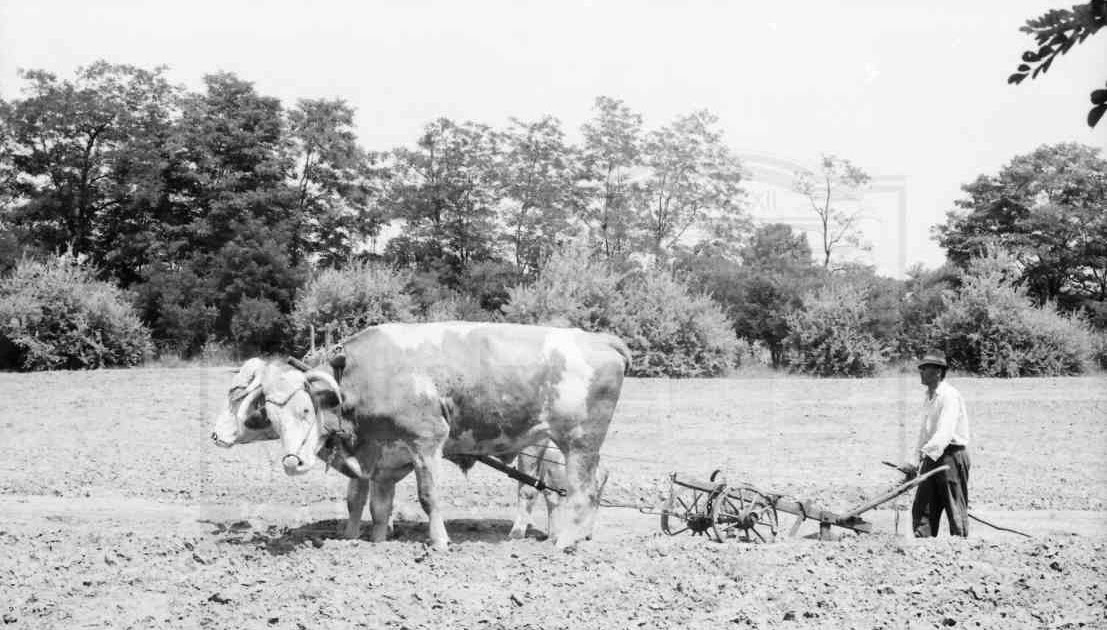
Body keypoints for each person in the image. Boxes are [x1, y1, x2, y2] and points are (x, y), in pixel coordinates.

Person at [909, 349, 971, 537]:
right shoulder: (929, 396)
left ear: (937, 372)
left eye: (924, 369)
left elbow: (945, 432)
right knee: (923, 505)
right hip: (932, 454)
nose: (920, 372)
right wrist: (914, 463)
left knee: (954, 506)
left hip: (951, 456)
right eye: (921, 369)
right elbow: (924, 433)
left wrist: (923, 454)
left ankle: (960, 547)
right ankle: (923, 541)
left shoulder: (949, 396)